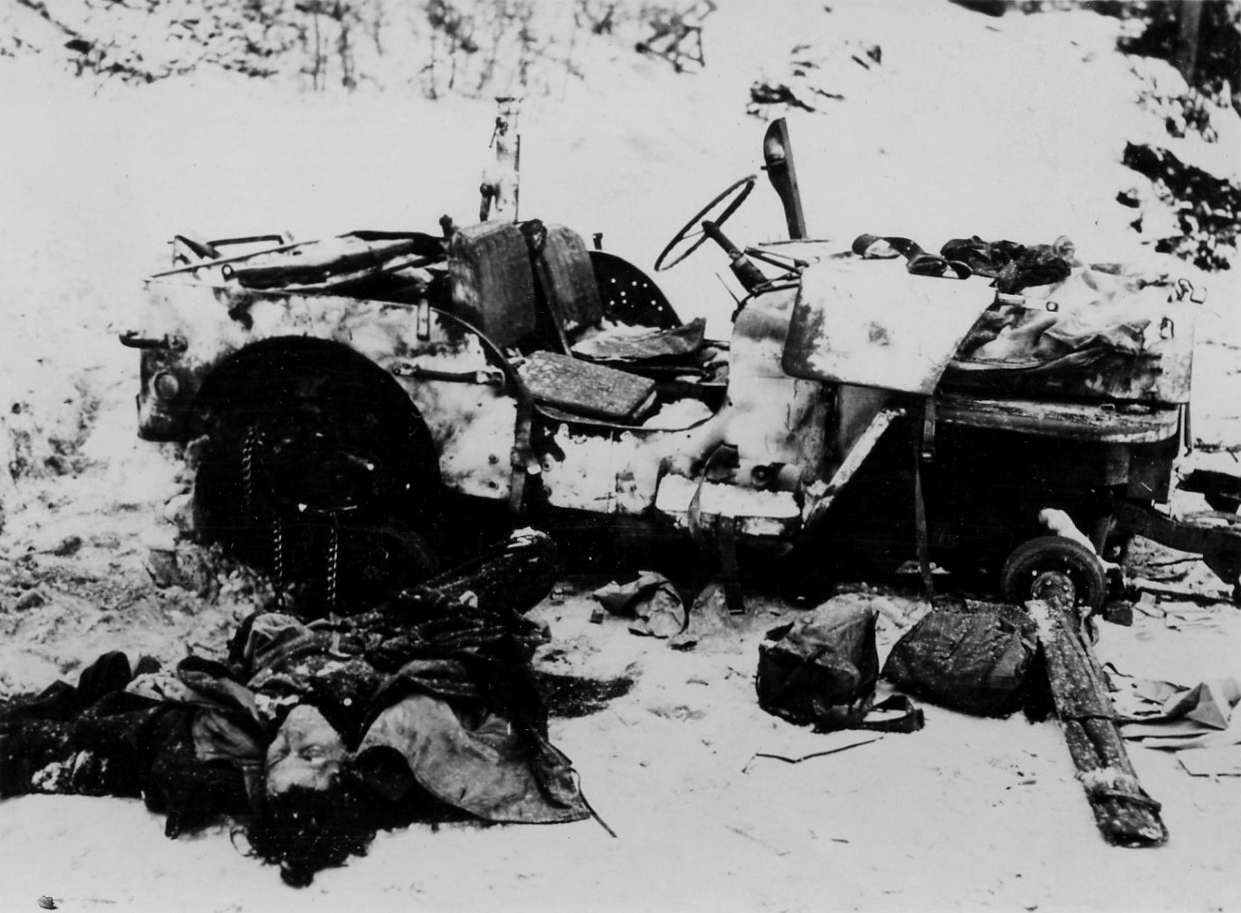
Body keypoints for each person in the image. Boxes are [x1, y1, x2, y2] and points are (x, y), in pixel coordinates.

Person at [0, 530, 601, 886]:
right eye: (307, 751)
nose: (289, 736)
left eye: (280, 753)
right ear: (348, 762)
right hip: (379, 632)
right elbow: (479, 742)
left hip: (299, 635)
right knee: (532, 556)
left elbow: (87, 750)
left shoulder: (235, 737)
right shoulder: (382, 723)